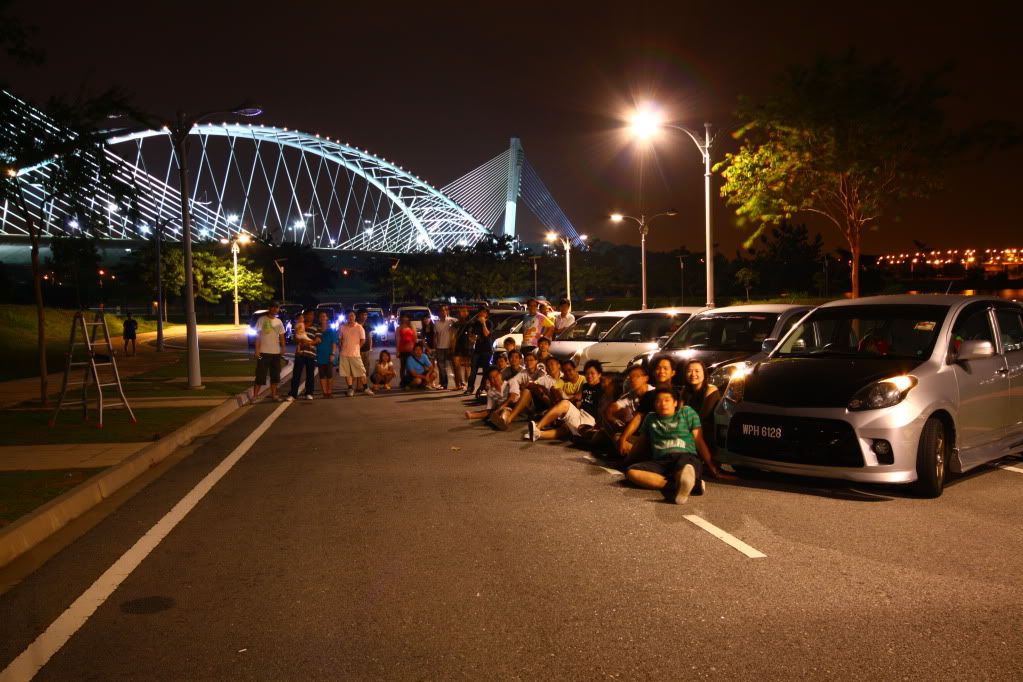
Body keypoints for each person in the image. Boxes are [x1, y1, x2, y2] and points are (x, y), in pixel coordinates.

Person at [623, 388, 732, 504]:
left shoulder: (686, 412)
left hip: (685, 456)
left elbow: (698, 440)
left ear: (675, 403)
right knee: (632, 472)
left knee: (685, 468)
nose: (662, 404)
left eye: (667, 400)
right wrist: (627, 461)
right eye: (658, 401)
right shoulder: (651, 418)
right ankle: (680, 485)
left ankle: (684, 481)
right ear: (654, 404)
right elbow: (641, 442)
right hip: (661, 461)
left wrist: (713, 468)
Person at [526, 359, 603, 442]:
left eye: (592, 373)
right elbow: (577, 397)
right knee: (565, 427)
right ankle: (537, 434)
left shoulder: (602, 388)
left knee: (565, 405)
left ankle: (536, 428)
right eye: (587, 373)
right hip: (580, 413)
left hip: (590, 420)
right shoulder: (585, 386)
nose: (589, 376)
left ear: (599, 374)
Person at [610, 365, 657, 457]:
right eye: (631, 377)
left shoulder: (654, 394)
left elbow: (638, 418)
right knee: (617, 437)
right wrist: (615, 419)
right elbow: (612, 408)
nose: (633, 379)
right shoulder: (631, 395)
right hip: (640, 434)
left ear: (646, 378)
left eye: (637, 376)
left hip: (653, 434)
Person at [681, 359, 722, 449]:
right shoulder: (685, 390)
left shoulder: (711, 389)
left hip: (705, 432)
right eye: (689, 371)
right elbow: (679, 414)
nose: (693, 374)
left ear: (704, 373)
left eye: (697, 371)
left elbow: (703, 417)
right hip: (689, 429)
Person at [253, 302, 286, 402]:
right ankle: (255, 396)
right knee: (260, 375)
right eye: (274, 307)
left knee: (275, 375)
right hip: (263, 353)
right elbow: (258, 336)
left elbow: (281, 336)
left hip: (276, 353)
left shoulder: (279, 321)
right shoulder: (261, 319)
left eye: (277, 308)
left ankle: (274, 395)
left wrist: (283, 348)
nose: (275, 309)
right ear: (269, 308)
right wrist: (257, 350)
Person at [339, 310, 372, 397]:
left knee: (361, 371)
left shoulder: (359, 327)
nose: (350, 317)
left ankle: (365, 388)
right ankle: (350, 389)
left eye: (352, 316)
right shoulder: (343, 327)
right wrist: (342, 346)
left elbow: (363, 340)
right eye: (349, 316)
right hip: (344, 353)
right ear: (346, 317)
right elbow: (340, 339)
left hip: (355, 354)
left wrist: (357, 348)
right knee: (347, 373)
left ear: (355, 317)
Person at [288, 310, 319, 401]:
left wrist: (309, 343)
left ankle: (309, 393)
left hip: (311, 353)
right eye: (309, 315)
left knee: (310, 374)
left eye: (312, 315)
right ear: (305, 316)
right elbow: (295, 338)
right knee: (296, 374)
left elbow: (318, 340)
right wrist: (300, 341)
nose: (311, 316)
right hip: (300, 353)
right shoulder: (299, 325)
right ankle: (293, 394)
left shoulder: (316, 327)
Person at [464, 308, 492, 395]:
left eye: (483, 312)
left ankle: (482, 387)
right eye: (480, 312)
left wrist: (483, 323)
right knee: (473, 370)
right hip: (477, 349)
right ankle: (470, 387)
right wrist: (472, 338)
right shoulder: (475, 323)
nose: (481, 314)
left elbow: (487, 334)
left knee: (486, 370)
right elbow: (471, 336)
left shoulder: (489, 322)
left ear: (487, 314)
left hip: (487, 349)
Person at [315, 310, 338, 399]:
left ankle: (329, 391)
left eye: (324, 316)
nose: (323, 318)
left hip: (329, 355)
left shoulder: (331, 330)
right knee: (322, 375)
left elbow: (334, 343)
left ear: (327, 318)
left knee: (329, 374)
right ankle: (324, 392)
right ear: (319, 319)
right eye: (321, 316)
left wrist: (332, 353)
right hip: (319, 354)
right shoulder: (317, 330)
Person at [433, 304, 457, 389]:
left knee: (453, 366)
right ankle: (444, 383)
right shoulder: (436, 323)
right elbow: (435, 336)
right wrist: (435, 347)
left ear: (447, 311)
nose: (443, 312)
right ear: (439, 313)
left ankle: (459, 383)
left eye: (445, 310)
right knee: (441, 367)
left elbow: (460, 325)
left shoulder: (452, 321)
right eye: (441, 311)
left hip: (450, 347)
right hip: (440, 347)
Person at [452, 306, 472, 390]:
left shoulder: (470, 323)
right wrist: (452, 346)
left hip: (467, 346)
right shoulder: (456, 324)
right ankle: (458, 384)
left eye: (464, 311)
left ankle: (467, 384)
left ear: (467, 313)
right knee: (456, 366)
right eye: (460, 312)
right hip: (457, 346)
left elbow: (472, 336)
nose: (461, 313)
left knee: (467, 366)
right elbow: (453, 336)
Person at [396, 315, 417, 388]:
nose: (405, 320)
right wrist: (397, 350)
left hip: (411, 350)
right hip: (402, 349)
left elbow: (415, 338)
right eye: (403, 319)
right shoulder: (399, 328)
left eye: (406, 319)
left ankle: (409, 381)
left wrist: (416, 349)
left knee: (410, 366)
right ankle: (403, 382)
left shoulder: (412, 327)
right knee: (403, 366)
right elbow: (397, 340)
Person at [357, 310, 374, 392]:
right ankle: (358, 386)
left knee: (365, 368)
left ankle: (365, 386)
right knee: (358, 368)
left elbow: (370, 336)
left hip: (366, 349)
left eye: (366, 315)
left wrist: (370, 347)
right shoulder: (356, 325)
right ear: (359, 315)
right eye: (363, 314)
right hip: (357, 350)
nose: (364, 316)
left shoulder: (368, 325)